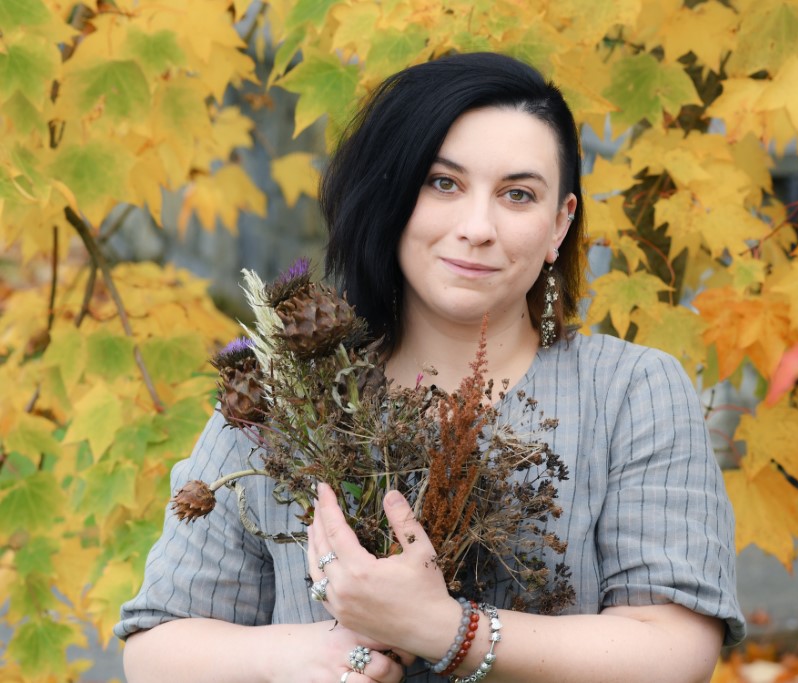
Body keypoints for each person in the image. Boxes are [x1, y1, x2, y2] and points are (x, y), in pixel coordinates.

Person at [116, 52, 745, 683]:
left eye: (518, 195)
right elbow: (156, 649)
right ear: (391, 197)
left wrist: (445, 629)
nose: (478, 227)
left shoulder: (631, 391)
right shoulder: (287, 399)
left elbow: (675, 649)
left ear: (560, 225)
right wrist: (294, 657)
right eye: (443, 183)